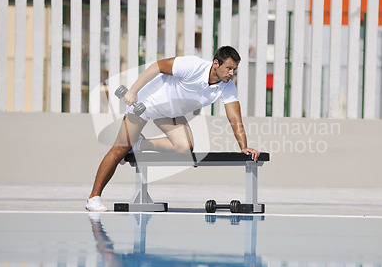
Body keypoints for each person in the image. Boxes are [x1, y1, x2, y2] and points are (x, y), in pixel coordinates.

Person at [86, 46, 260, 212]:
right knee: (119, 150)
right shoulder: (193, 66)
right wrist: (133, 91)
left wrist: (243, 146)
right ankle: (94, 197)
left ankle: (139, 145)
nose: (231, 73)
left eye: (234, 70)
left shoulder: (227, 86)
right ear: (216, 63)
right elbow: (157, 67)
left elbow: (234, 117)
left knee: (184, 147)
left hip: (170, 113)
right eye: (229, 68)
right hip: (146, 103)